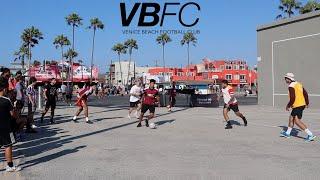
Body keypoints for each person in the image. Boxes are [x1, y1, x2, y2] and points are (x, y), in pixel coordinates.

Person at [280, 73, 316, 142]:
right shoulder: (298, 84)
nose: (285, 80)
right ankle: (287, 133)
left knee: (297, 121)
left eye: (286, 79)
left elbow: (292, 97)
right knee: (291, 118)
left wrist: (288, 105)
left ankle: (310, 135)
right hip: (301, 104)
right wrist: (307, 103)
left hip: (297, 105)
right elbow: (305, 93)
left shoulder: (291, 86)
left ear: (289, 79)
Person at [0, 77, 21, 172]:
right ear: (4, 89)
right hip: (6, 127)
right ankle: (10, 166)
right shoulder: (6, 100)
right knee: (8, 145)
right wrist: (15, 108)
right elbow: (13, 115)